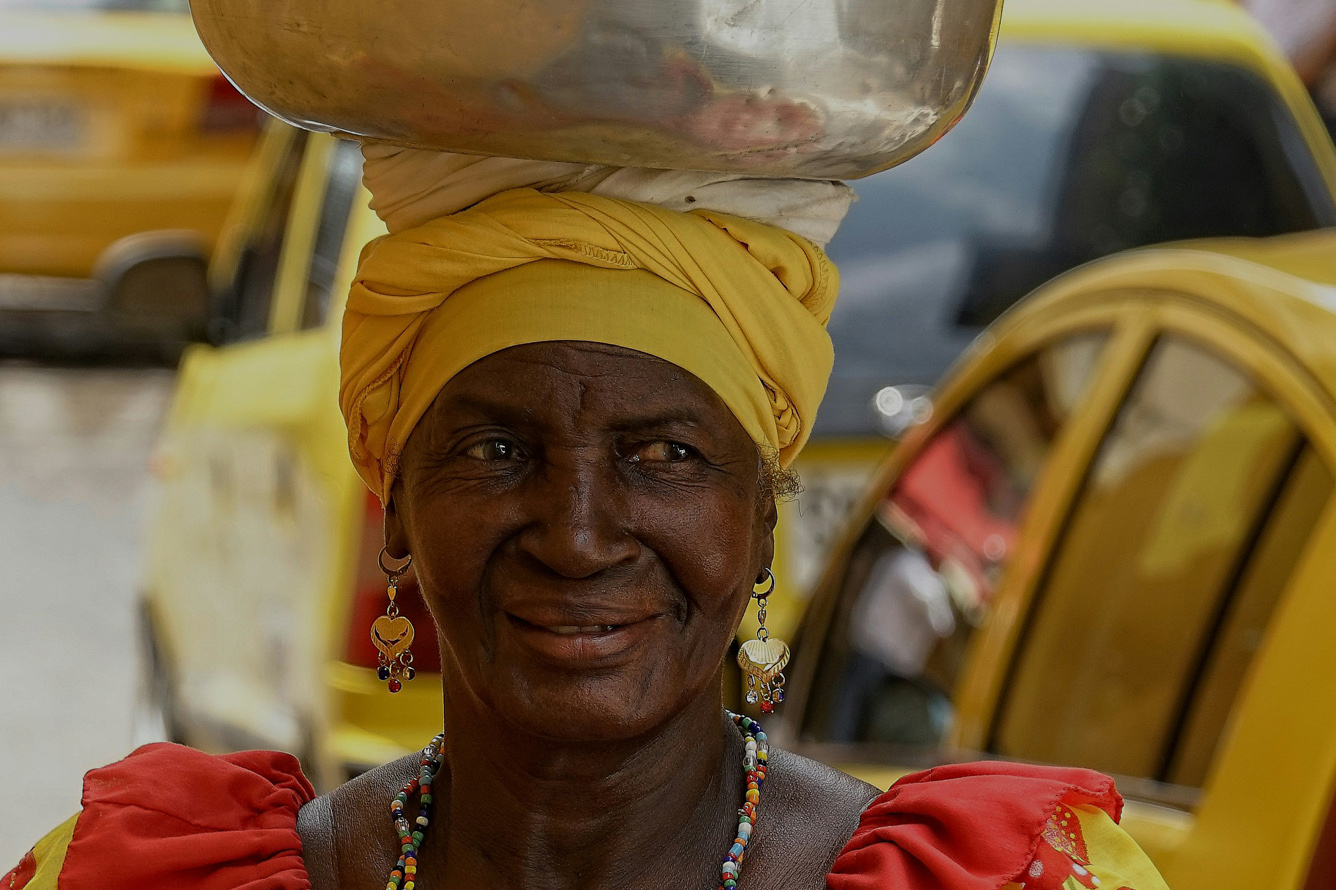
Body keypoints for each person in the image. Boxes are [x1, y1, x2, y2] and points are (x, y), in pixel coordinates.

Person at [4, 151, 1171, 890]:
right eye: (495, 449)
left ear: (760, 521)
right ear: (396, 507)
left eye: (662, 454)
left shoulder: (1006, 878)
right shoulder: (139, 873)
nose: (575, 533)